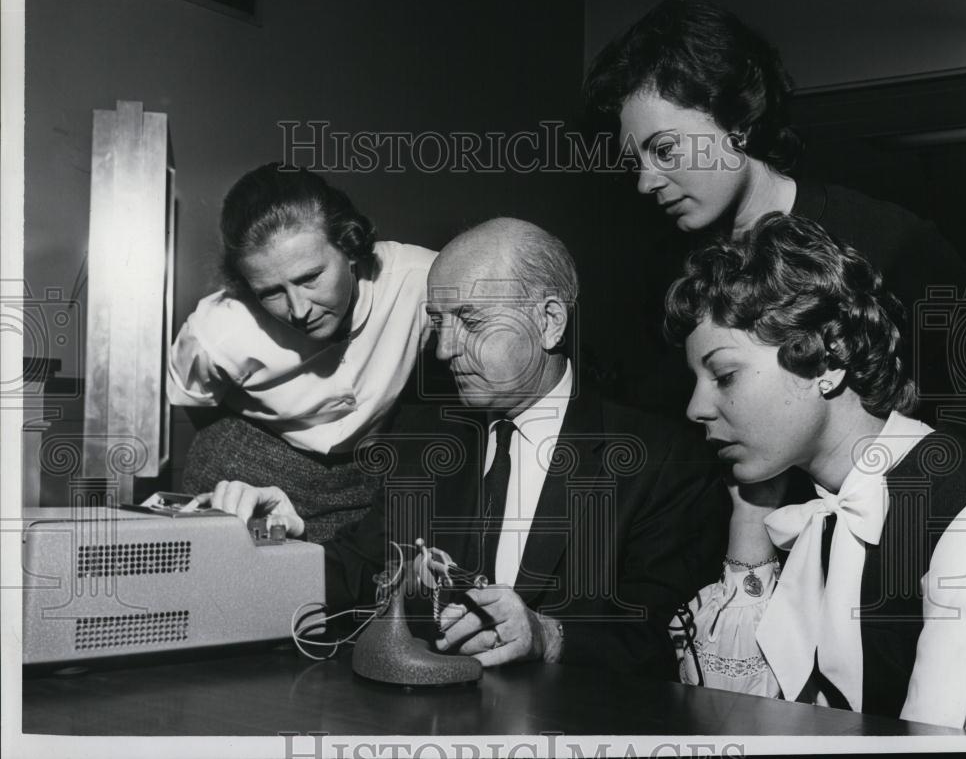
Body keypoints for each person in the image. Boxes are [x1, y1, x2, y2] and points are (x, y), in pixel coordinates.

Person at [206, 217, 731, 677]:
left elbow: (670, 643)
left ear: (548, 321)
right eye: (437, 322)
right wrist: (273, 547)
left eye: (471, 321)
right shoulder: (421, 439)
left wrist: (549, 637)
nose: (445, 348)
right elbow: (361, 570)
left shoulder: (661, 462)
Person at [662, 212, 966, 730]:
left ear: (828, 360)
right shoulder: (813, 509)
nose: (695, 408)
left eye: (723, 375)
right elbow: (734, 718)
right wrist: (749, 517)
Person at [582, 0, 966, 423]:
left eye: (665, 149)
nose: (644, 182)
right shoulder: (670, 280)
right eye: (635, 163)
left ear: (737, 123)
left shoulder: (895, 244)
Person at [168, 163, 437, 538]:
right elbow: (193, 400)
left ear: (350, 243)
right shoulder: (216, 328)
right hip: (245, 471)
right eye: (270, 292)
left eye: (310, 278)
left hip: (367, 475)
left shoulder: (425, 279)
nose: (298, 309)